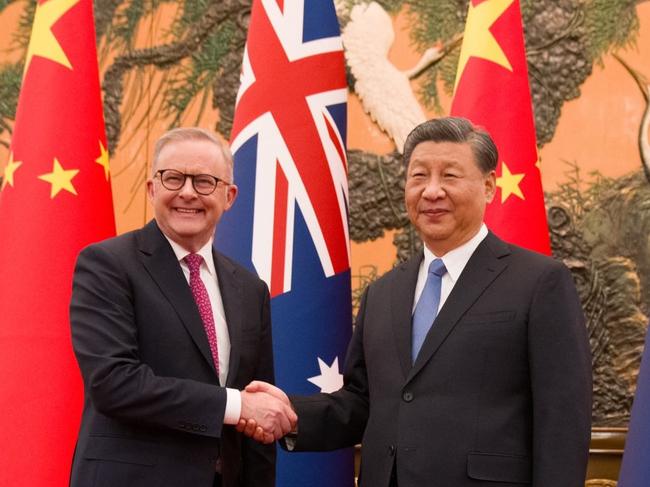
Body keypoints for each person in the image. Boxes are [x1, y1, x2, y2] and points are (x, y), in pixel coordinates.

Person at [241, 117, 593, 486]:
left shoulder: (539, 281)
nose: (432, 191)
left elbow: (562, 419)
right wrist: (293, 415)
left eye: (450, 176)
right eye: (419, 176)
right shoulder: (384, 292)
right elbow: (362, 403)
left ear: (489, 186)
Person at [69, 128, 296, 487]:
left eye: (204, 181)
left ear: (229, 196)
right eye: (173, 178)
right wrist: (235, 406)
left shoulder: (250, 289)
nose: (187, 192)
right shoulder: (107, 265)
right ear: (152, 189)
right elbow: (114, 384)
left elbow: (257, 421)